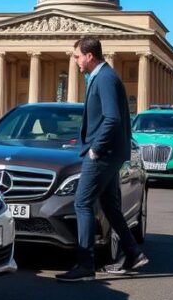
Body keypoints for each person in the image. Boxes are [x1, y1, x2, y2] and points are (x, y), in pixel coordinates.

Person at [56, 37, 147, 282]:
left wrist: (96, 148)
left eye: (77, 56)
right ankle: (133, 253)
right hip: (109, 153)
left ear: (89, 56)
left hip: (103, 155)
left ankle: (85, 265)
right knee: (109, 206)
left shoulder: (105, 78)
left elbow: (112, 118)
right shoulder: (102, 76)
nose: (75, 61)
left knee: (82, 203)